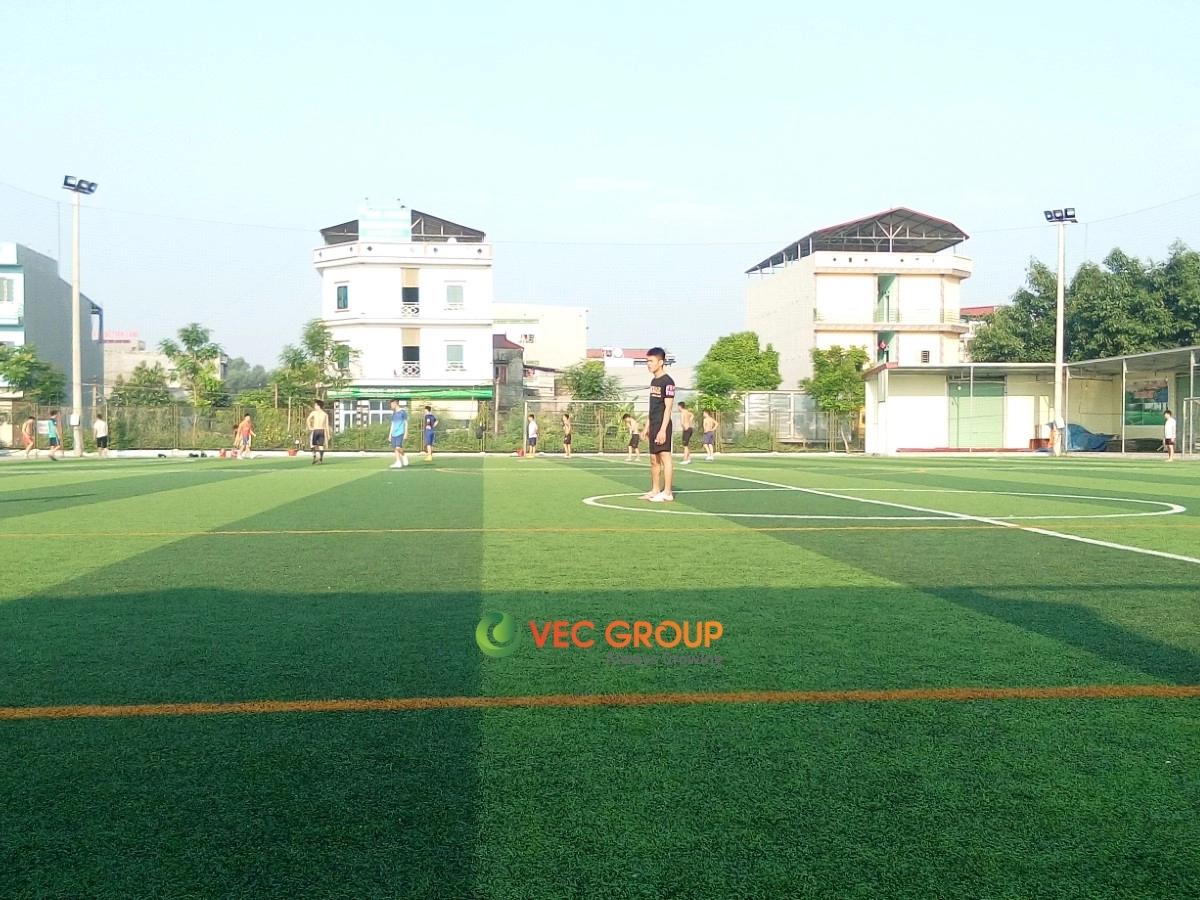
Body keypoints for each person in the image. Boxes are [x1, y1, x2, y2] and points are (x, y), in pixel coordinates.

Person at [641, 347, 675, 502]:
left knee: (665, 457)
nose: (648, 364)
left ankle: (667, 492)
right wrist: (647, 427)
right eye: (647, 361)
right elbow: (653, 407)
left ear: (661, 362)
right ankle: (655, 490)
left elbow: (668, 408)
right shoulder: (653, 381)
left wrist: (663, 430)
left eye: (651, 361)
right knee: (654, 459)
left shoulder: (668, 382)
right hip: (654, 424)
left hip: (663, 425)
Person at [307, 400, 330, 465]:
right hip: (322, 430)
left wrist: (310, 427)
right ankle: (320, 459)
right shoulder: (325, 414)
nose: (314, 406)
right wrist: (328, 434)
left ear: (318, 406)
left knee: (312, 444)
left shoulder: (314, 412)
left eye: (315, 405)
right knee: (320, 445)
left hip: (315, 430)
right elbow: (327, 425)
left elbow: (308, 419)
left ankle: (315, 457)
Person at [389, 399, 409, 469]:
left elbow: (406, 423)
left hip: (400, 432)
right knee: (395, 448)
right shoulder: (394, 413)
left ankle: (403, 455)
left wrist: (406, 432)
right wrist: (390, 434)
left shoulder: (402, 412)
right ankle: (398, 462)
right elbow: (392, 424)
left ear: (395, 404)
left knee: (398, 447)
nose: (391, 406)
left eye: (391, 405)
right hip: (394, 433)